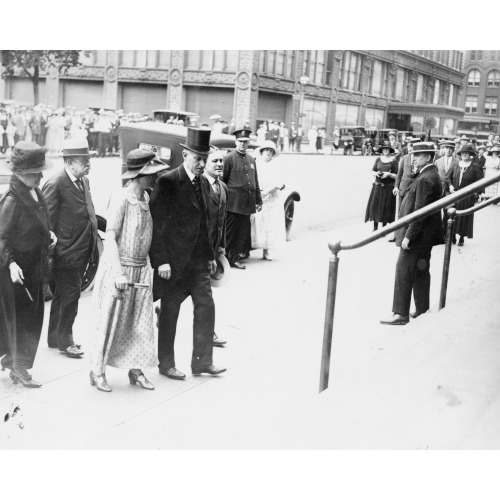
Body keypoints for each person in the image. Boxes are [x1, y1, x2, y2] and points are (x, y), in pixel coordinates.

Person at [149, 127, 226, 380]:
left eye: (205, 158)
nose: (202, 163)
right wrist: (161, 261)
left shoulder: (203, 182)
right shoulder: (168, 181)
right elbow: (156, 224)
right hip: (174, 264)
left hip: (199, 263)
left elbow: (204, 222)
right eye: (197, 158)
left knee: (206, 308)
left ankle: (202, 362)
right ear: (184, 155)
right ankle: (166, 364)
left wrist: (211, 255)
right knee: (170, 313)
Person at [89, 149, 168, 392]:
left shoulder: (146, 198)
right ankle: (97, 371)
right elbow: (110, 238)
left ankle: (136, 370)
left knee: (141, 323)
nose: (155, 178)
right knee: (111, 321)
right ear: (137, 175)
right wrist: (118, 273)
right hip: (119, 269)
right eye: (151, 173)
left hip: (142, 269)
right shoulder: (122, 199)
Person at [0, 142, 56, 387]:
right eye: (36, 172)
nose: (41, 175)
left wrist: (48, 234)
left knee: (31, 318)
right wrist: (11, 263)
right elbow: (2, 238)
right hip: (17, 274)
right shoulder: (12, 199)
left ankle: (15, 362)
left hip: (34, 268)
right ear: (21, 173)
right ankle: (18, 367)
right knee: (23, 321)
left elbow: (39, 220)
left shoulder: (34, 191)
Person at [42, 138, 98, 358]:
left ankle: (55, 337)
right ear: (71, 161)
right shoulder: (56, 183)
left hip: (81, 249)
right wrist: (53, 253)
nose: (89, 163)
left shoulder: (82, 181)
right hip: (65, 252)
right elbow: (46, 222)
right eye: (85, 160)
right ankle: (66, 341)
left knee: (62, 295)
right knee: (72, 295)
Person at [380, 142, 444, 325]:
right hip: (425, 236)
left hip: (418, 236)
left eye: (418, 155)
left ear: (429, 157)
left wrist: (408, 236)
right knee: (421, 270)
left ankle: (400, 314)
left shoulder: (425, 178)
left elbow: (419, 212)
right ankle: (422, 308)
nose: (413, 158)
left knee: (403, 270)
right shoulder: (431, 174)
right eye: (413, 155)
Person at [222, 128, 262, 270]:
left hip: (247, 203)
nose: (243, 144)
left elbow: (255, 181)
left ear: (249, 143)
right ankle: (227, 259)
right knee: (230, 232)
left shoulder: (251, 160)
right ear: (235, 142)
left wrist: (258, 200)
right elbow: (222, 181)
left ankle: (235, 257)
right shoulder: (228, 158)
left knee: (242, 232)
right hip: (233, 203)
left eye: (245, 142)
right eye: (240, 141)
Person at [203, 147, 229, 348]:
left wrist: (221, 247)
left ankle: (208, 333)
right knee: (204, 296)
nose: (219, 164)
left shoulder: (223, 188)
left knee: (200, 294)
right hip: (198, 252)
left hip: (213, 249)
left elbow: (222, 222)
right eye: (215, 161)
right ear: (205, 164)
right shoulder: (199, 186)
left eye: (221, 161)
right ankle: (208, 333)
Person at [254, 140, 286, 260]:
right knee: (259, 223)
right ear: (261, 151)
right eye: (266, 150)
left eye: (270, 150)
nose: (268, 152)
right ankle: (252, 248)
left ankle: (268, 252)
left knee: (271, 224)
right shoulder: (256, 163)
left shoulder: (276, 165)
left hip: (272, 198)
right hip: (259, 197)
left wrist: (267, 191)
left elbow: (279, 182)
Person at [447, 144, 484, 246]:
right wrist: (450, 186)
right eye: (463, 153)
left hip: (467, 196)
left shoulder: (475, 167)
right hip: (455, 195)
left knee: (464, 216)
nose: (464, 155)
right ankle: (453, 236)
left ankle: (462, 237)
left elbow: (480, 181)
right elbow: (448, 177)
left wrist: (476, 193)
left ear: (470, 155)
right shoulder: (455, 166)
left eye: (466, 153)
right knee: (453, 215)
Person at [365, 141, 398, 231]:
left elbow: (397, 176)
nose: (385, 150)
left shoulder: (393, 161)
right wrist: (377, 173)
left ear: (390, 150)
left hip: (388, 187)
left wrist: (388, 174)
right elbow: (372, 171)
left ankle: (383, 229)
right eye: (384, 149)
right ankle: (375, 228)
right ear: (382, 150)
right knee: (375, 206)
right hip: (378, 187)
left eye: (387, 149)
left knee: (386, 207)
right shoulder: (378, 159)